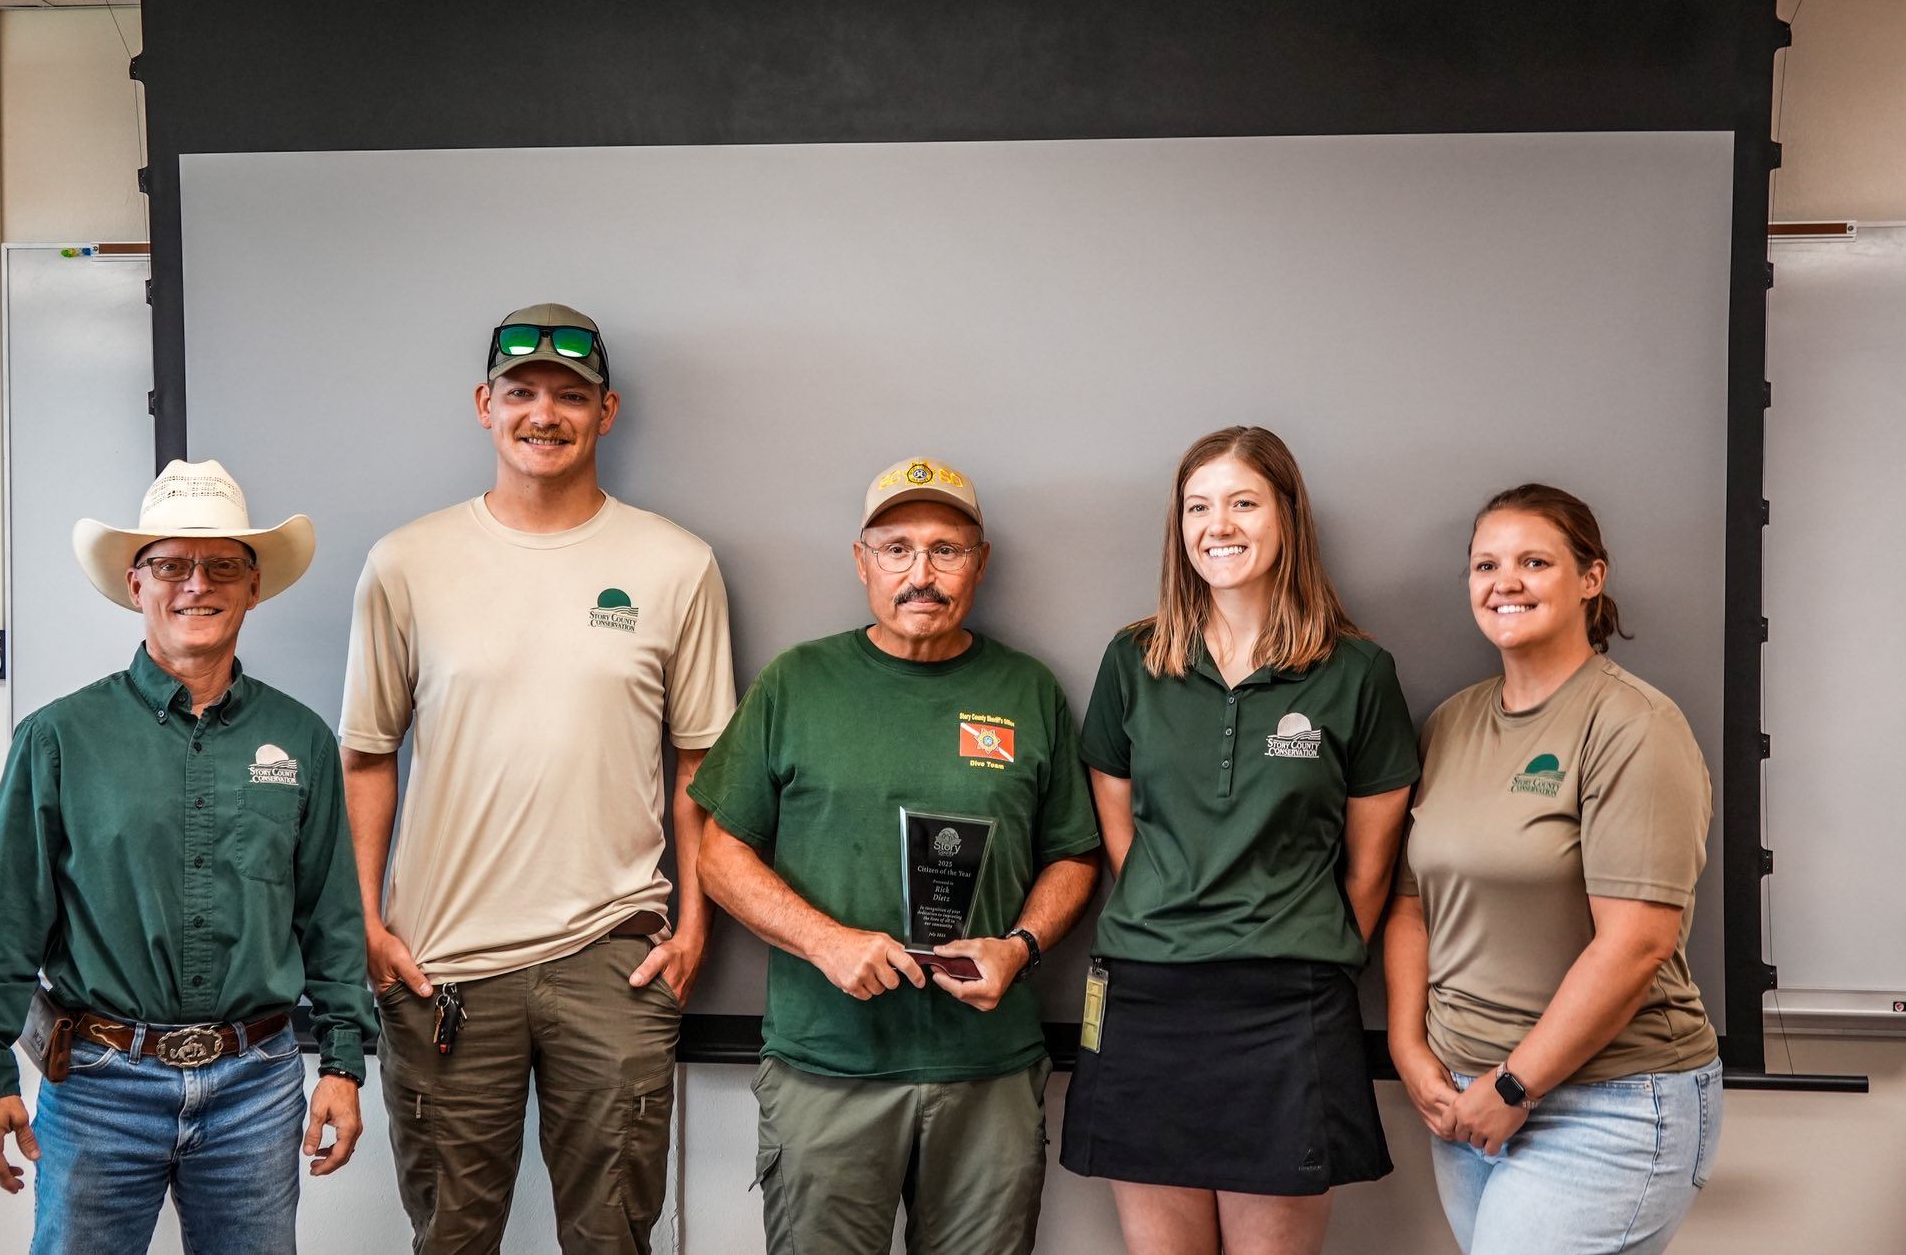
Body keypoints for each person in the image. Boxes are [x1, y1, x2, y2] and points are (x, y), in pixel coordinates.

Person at [341, 303, 737, 1254]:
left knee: (611, 1238)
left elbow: (702, 765)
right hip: (442, 962)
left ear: (608, 412)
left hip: (613, 952)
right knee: (452, 1236)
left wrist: (694, 926)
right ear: (485, 405)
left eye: (571, 395)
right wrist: (363, 922)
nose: (544, 414)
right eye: (522, 393)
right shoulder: (405, 562)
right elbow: (366, 754)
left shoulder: (677, 565)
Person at [0, 458, 373, 1254]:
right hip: (101, 1086)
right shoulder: (60, 737)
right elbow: (4, 918)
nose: (195, 585)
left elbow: (332, 918)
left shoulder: (303, 738)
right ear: (137, 585)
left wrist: (343, 1061)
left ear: (252, 587)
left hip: (256, 1086)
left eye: (221, 567)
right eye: (171, 565)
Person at [690, 456, 1101, 1255]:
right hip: (827, 1065)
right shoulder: (797, 682)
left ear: (979, 563)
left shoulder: (1028, 690)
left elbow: (1075, 856)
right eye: (898, 548)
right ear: (861, 560)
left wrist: (1020, 948)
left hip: (987, 1072)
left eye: (947, 550)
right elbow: (718, 853)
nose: (923, 573)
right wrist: (827, 943)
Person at [1060, 426, 1417, 1255]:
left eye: (1243, 503)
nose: (1218, 525)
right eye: (1198, 507)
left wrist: (1295, 945)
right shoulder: (1134, 660)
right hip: (1146, 1001)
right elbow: (1124, 836)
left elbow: (1371, 866)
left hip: (1288, 1007)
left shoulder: (1358, 673)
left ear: (1287, 516)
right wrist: (1180, 914)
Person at [1384, 483, 1722, 1255]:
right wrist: (1409, 1051)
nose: (1505, 582)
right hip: (1463, 1101)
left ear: (1590, 579)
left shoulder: (1635, 726)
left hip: (1607, 1103)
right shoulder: (1451, 723)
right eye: (1486, 565)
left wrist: (1515, 1086)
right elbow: (1411, 904)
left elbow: (1635, 945)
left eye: (1534, 562)